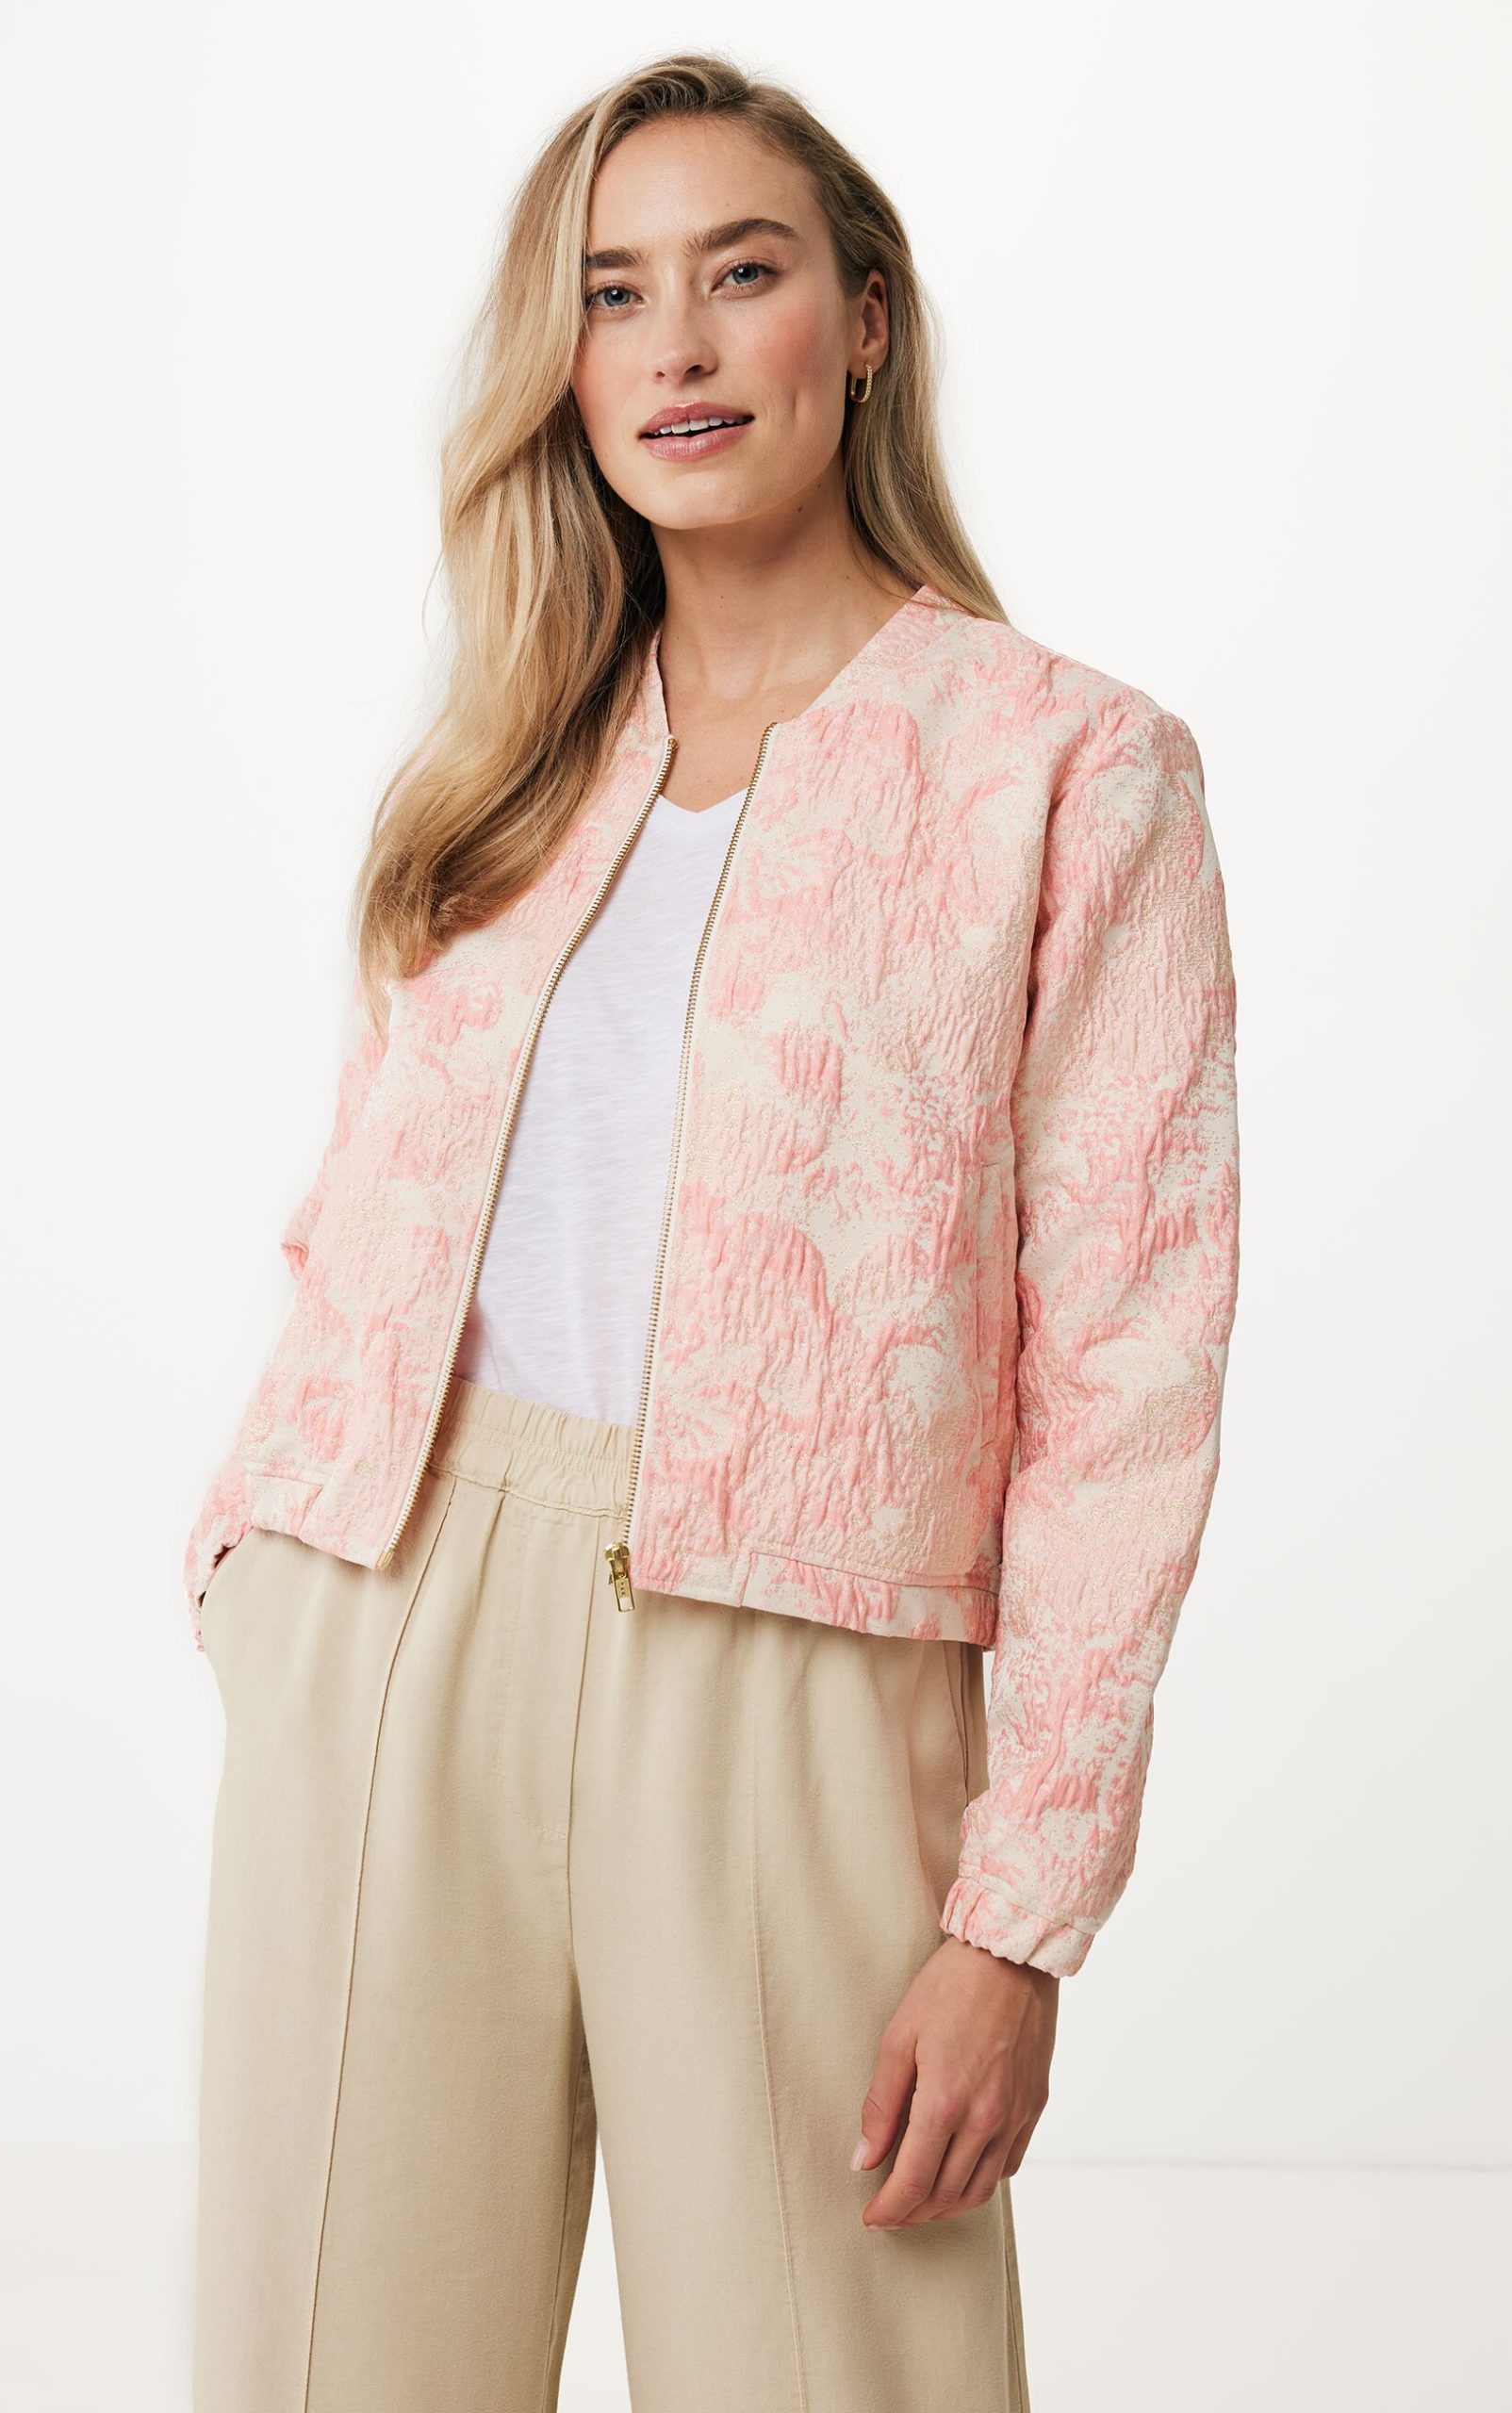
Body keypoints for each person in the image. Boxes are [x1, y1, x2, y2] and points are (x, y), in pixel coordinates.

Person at [184, 50, 1240, 2413]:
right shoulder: (506, 767)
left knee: (829, 2368)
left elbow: (1130, 1377)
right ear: (560, 366)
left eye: (737, 274)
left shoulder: (1066, 769)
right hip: (393, 1611)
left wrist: (1019, 1913)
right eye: (610, 293)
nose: (672, 344)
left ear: (859, 320)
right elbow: (355, 1219)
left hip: (805, 1665)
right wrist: (254, 1566)